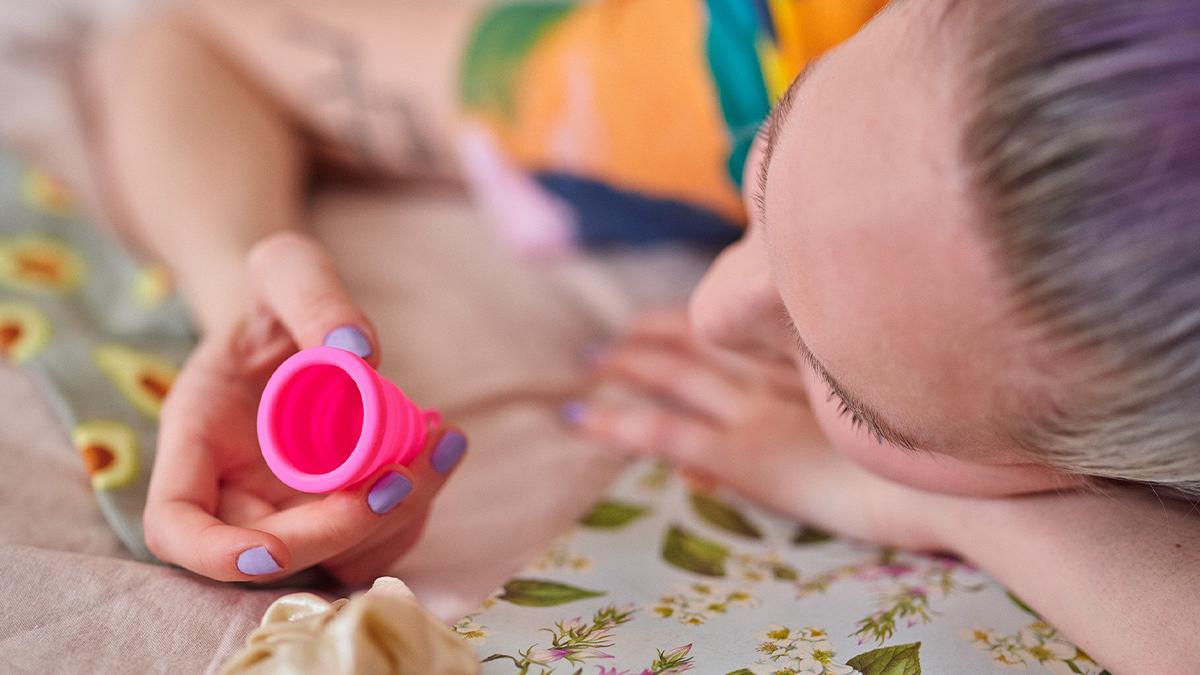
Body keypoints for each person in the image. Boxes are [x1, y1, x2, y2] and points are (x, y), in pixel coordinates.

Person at [90, 0, 1199, 671]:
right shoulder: (743, 55)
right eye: (774, 155)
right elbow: (203, 30)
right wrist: (246, 301)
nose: (716, 310)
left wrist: (922, 498)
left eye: (853, 391)